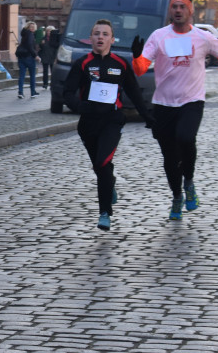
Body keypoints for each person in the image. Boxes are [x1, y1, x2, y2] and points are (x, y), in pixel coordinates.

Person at [131, 0, 218, 220]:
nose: (178, 10)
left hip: (192, 101)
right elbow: (140, 69)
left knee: (186, 138)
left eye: (182, 7)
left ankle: (188, 181)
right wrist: (136, 57)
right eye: (174, 7)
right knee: (169, 157)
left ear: (190, 11)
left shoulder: (202, 37)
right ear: (170, 10)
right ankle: (177, 196)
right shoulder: (159, 36)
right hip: (163, 104)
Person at [63, 19, 154, 231]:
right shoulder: (83, 63)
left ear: (112, 39)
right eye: (96, 33)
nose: (100, 37)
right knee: (100, 166)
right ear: (91, 38)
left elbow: (134, 92)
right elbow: (67, 92)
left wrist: (148, 117)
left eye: (105, 34)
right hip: (88, 123)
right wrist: (79, 105)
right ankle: (109, 183)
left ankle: (104, 212)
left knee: (103, 162)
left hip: (112, 120)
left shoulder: (120, 64)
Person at [15, 21, 39, 99]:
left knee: (22, 75)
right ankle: (32, 92)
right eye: (31, 27)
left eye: (33, 27)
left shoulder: (24, 34)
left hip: (21, 57)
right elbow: (30, 46)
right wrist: (35, 55)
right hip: (29, 57)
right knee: (32, 75)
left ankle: (20, 92)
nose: (32, 28)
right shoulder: (30, 35)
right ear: (29, 28)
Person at [39, 25, 59, 91]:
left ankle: (52, 84)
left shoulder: (55, 39)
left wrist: (56, 57)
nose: (48, 32)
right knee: (45, 71)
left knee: (53, 72)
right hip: (45, 56)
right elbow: (41, 47)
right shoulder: (43, 38)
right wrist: (41, 44)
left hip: (52, 57)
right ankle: (45, 84)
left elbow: (57, 48)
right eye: (47, 31)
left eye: (50, 31)